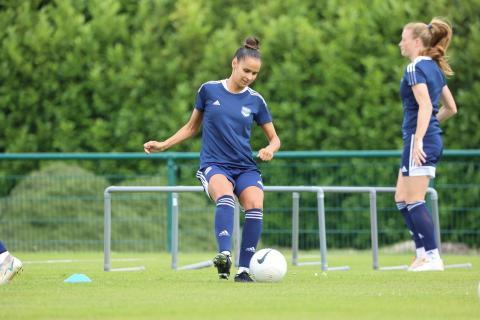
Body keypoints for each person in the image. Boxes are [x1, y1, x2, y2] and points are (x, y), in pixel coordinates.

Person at [144, 36, 281, 282]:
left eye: (255, 73)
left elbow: (275, 139)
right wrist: (163, 144)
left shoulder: (256, 100)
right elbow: (191, 127)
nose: (249, 76)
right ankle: (225, 255)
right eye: (246, 70)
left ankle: (244, 270)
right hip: (214, 164)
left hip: (245, 167)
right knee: (225, 196)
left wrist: (270, 149)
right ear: (234, 64)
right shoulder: (208, 90)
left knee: (255, 203)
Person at [395, 17, 457, 271]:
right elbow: (450, 108)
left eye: (404, 38)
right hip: (423, 138)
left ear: (416, 42)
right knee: (401, 198)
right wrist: (429, 129)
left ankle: (433, 257)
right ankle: (421, 253)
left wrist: (420, 138)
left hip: (418, 140)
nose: (400, 43)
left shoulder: (416, 67)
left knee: (415, 200)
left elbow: (423, 106)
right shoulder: (434, 67)